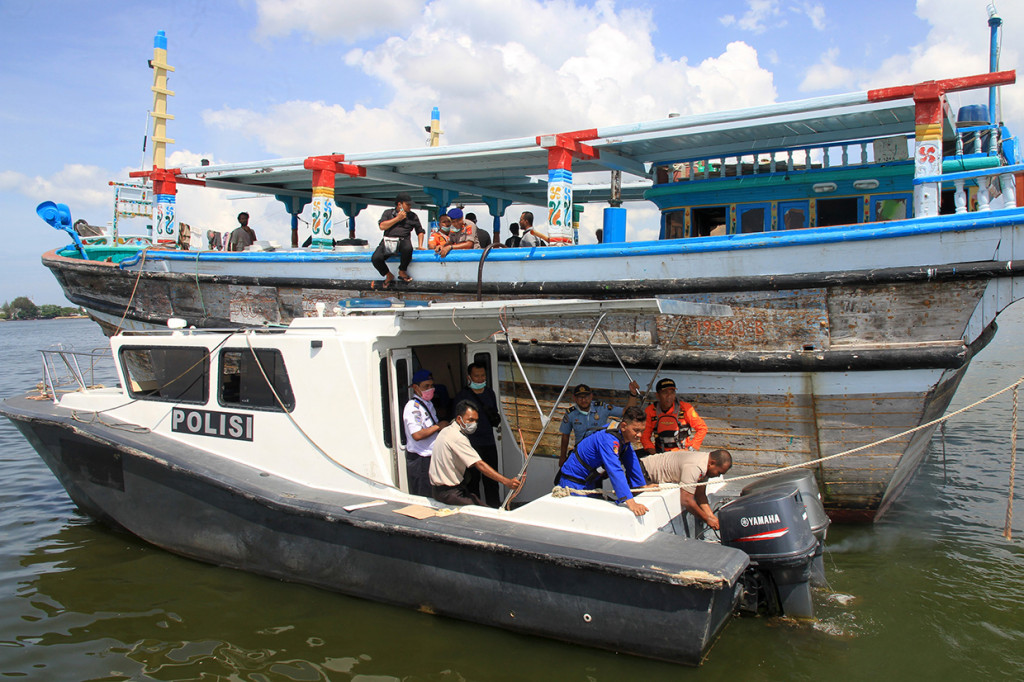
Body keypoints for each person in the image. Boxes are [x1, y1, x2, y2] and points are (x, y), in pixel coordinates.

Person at [555, 406, 650, 517]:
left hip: (589, 483)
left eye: (642, 431)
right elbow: (614, 469)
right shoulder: (609, 440)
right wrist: (630, 501)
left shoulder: (623, 438)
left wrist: (641, 485)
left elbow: (631, 460)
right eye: (636, 430)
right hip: (573, 483)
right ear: (624, 426)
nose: (640, 435)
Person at [430, 400, 522, 506]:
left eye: (476, 421)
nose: (473, 424)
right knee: (483, 513)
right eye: (470, 420)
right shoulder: (457, 437)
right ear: (459, 419)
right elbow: (479, 464)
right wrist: (507, 482)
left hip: (440, 489)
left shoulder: (447, 430)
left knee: (479, 503)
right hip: (449, 492)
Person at [640, 449, 732, 531]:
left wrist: (712, 517)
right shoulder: (696, 467)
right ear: (712, 463)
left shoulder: (706, 465)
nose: (718, 476)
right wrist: (707, 519)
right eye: (719, 473)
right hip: (642, 472)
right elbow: (686, 500)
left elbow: (700, 494)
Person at [558, 380, 641, 467]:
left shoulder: (602, 408)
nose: (583, 400)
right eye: (580, 397)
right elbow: (565, 436)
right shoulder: (571, 413)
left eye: (586, 396)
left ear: (591, 396)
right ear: (574, 398)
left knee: (596, 478)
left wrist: (633, 394)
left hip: (599, 453)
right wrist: (562, 456)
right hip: (581, 453)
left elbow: (626, 412)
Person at [453, 362, 502, 507]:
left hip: (489, 443)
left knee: (492, 479)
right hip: (470, 445)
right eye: (477, 376)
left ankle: (494, 508)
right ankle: (476, 509)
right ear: (469, 377)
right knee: (473, 481)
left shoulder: (490, 393)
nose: (480, 379)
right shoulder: (463, 396)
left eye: (483, 376)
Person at [402, 369, 448, 497]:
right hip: (420, 460)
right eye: (426, 386)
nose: (430, 389)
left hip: (431, 457)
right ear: (416, 387)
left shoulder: (428, 404)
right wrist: (438, 427)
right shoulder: (413, 407)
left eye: (431, 385)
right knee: (423, 496)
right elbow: (417, 435)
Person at [641, 378, 708, 454]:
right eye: (665, 392)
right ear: (657, 395)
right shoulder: (650, 410)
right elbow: (644, 435)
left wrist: (692, 448)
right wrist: (652, 451)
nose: (669, 396)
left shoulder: (685, 408)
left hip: (682, 453)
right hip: (660, 453)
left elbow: (702, 428)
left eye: (672, 392)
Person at [372, 191, 424, 287]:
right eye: (407, 204)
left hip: (403, 240)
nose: (410, 206)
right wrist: (397, 218)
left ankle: (402, 271)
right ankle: (388, 275)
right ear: (399, 204)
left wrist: (420, 245)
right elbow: (382, 226)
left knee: (408, 248)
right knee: (376, 258)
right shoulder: (388, 213)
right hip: (388, 240)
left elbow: (420, 231)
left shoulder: (413, 216)